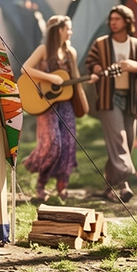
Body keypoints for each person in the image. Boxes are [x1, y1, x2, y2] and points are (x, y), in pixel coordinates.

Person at [85, 4, 137, 202]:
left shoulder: (136, 45)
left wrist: (136, 66)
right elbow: (90, 63)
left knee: (126, 144)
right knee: (119, 140)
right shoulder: (101, 43)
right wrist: (96, 67)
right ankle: (124, 184)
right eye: (111, 19)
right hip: (109, 98)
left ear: (127, 21)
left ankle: (109, 187)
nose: (113, 22)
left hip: (130, 99)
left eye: (117, 19)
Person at [22, 14, 89, 200]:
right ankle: (41, 184)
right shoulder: (43, 50)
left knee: (67, 144)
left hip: (66, 102)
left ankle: (62, 186)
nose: (70, 32)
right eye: (68, 28)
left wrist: (88, 80)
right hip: (46, 103)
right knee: (53, 144)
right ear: (59, 30)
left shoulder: (70, 53)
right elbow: (25, 68)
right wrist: (50, 78)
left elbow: (74, 77)